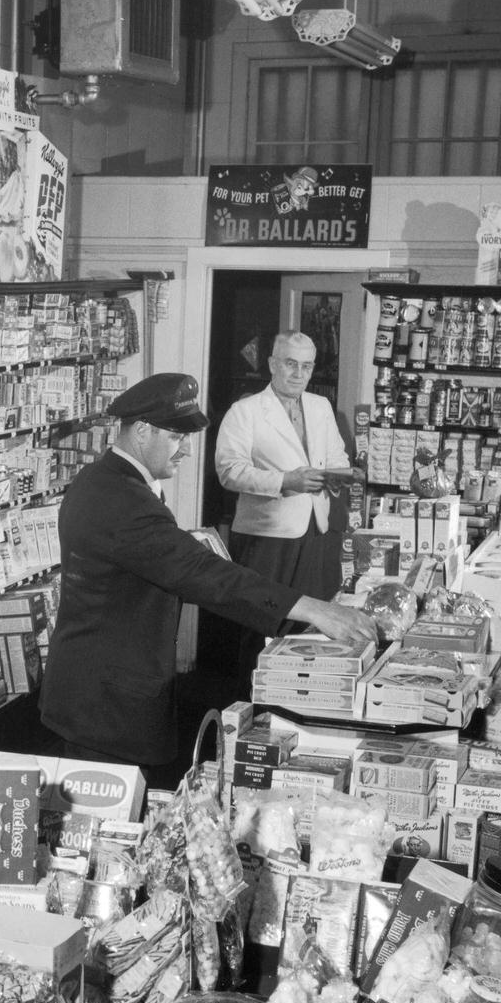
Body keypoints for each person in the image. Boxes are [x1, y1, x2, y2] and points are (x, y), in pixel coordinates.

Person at [38, 373, 376, 788]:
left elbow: (160, 557)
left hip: (98, 686)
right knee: (106, 816)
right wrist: (311, 608)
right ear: (142, 432)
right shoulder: (123, 499)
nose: (187, 449)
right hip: (105, 701)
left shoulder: (108, 480)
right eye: (177, 436)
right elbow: (200, 573)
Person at [215, 330, 358, 604]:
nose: (298, 373)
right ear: (272, 364)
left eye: (306, 366)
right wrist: (286, 481)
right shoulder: (245, 411)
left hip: (315, 530)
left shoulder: (321, 406)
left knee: (308, 622)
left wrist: (339, 476)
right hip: (266, 536)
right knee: (262, 620)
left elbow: (336, 457)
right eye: (290, 364)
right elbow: (229, 471)